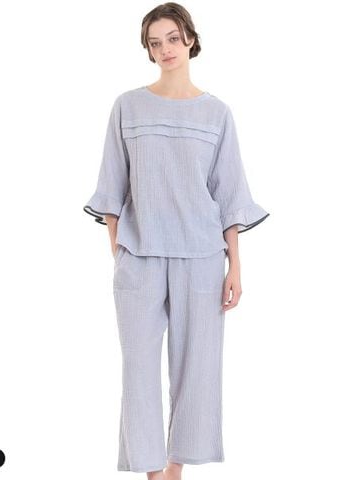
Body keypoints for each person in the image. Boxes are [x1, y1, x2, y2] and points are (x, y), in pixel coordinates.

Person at [83, 3, 270, 479]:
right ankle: (152, 473)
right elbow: (111, 189)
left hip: (202, 257)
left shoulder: (217, 114)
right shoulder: (127, 106)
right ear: (147, 50)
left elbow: (229, 196)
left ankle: (174, 472)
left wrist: (235, 266)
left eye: (171, 38)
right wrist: (119, 251)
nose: (164, 48)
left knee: (196, 371)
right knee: (139, 373)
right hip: (140, 258)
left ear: (190, 38)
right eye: (154, 42)